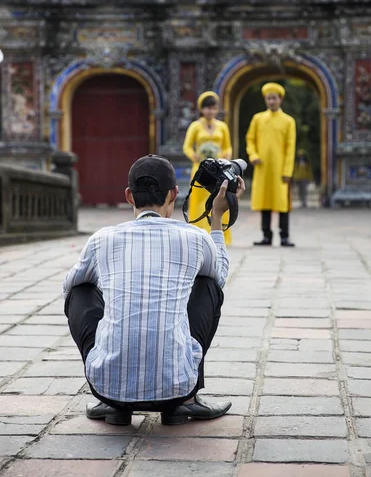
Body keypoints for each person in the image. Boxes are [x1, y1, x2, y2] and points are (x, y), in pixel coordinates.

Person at [63, 154, 245, 427]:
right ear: (174, 194)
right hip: (177, 386)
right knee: (208, 284)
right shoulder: (195, 237)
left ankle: (112, 404)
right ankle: (186, 402)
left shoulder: (102, 239)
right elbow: (218, 278)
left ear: (128, 196)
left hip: (108, 388)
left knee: (80, 288)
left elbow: (69, 285)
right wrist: (217, 216)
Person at [246, 82, 296, 247]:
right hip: (263, 168)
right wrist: (253, 155)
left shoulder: (288, 121)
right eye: (269, 98)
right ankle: (266, 235)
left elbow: (290, 148)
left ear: (280, 99)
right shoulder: (258, 119)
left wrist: (287, 171)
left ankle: (284, 236)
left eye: (274, 98)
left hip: (280, 169)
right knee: (264, 202)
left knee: (282, 203)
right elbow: (250, 139)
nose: (271, 101)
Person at [183, 91, 233, 245]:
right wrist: (194, 157)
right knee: (198, 200)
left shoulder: (222, 126)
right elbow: (187, 147)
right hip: (201, 169)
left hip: (218, 170)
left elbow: (228, 146)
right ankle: (197, 233)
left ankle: (219, 233)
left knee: (218, 199)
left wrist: (226, 158)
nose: (210, 111)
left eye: (213, 108)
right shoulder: (195, 126)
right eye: (207, 108)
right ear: (201, 109)